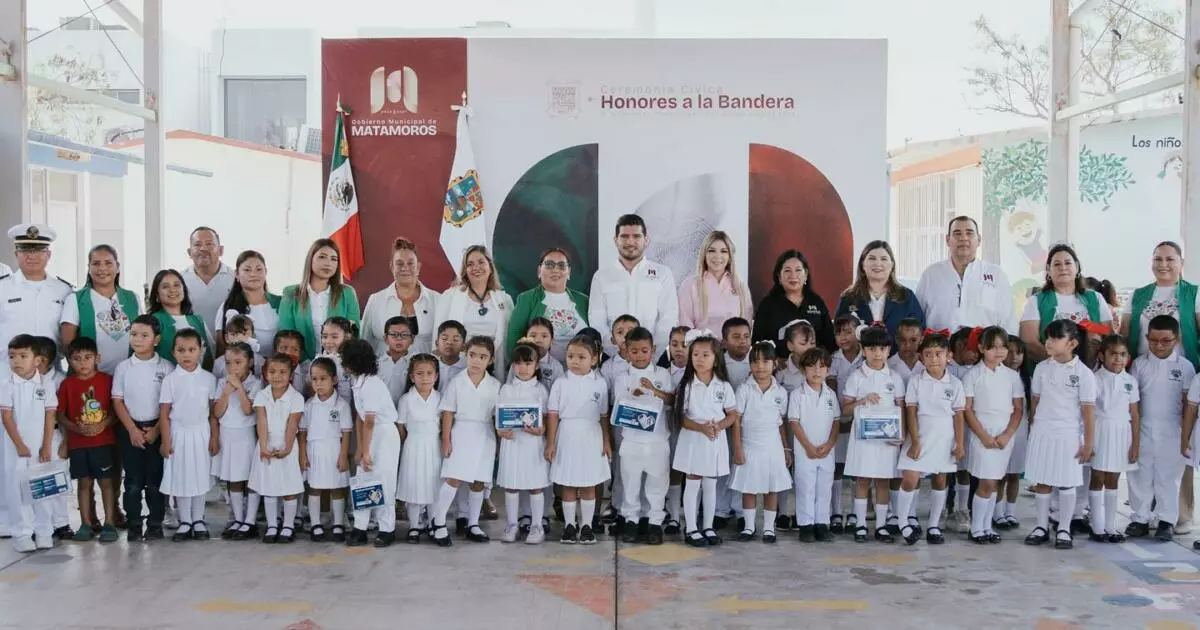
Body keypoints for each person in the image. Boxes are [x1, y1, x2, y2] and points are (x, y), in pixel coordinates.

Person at [1120, 242, 1200, 534]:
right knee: (1143, 456)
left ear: (1181, 262)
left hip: (1181, 375)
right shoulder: (1140, 295)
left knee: (1175, 455)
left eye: (1170, 259)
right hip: (1143, 373)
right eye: (1157, 259)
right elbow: (1125, 332)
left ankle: (1176, 515)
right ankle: (1142, 515)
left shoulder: (1193, 293)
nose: (1163, 264)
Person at [1023, 320, 1096, 550]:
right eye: (1048, 337)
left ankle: (1064, 528)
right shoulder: (1042, 368)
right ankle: (1041, 526)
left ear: (1072, 343)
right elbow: (1035, 402)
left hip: (1068, 434)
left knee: (1067, 483)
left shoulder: (1083, 374)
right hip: (1043, 431)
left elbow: (1088, 412)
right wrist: (1033, 429)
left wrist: (1088, 443)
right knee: (1042, 481)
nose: (1048, 342)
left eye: (1056, 338)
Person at [1126, 315, 1195, 541]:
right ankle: (1140, 518)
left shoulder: (1185, 367)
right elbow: (1133, 401)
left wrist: (1185, 437)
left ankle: (1166, 520)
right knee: (1140, 473)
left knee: (1169, 476)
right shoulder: (1139, 364)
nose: (1159, 346)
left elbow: (1188, 404)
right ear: (1147, 338)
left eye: (1166, 341)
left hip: (1173, 428)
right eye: (1153, 340)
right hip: (1144, 426)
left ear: (1177, 339)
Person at [893, 332, 965, 545]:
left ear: (949, 356)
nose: (934, 358)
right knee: (910, 477)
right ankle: (903, 522)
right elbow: (911, 411)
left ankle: (933, 525)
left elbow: (959, 416)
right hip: (920, 435)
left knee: (940, 479)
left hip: (944, 438)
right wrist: (915, 441)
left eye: (939, 353)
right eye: (928, 354)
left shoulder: (955, 384)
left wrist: (960, 444)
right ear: (921, 358)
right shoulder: (916, 381)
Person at [428, 336, 501, 546]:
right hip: (461, 433)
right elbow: (448, 412)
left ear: (491, 360)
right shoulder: (457, 382)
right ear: (466, 355)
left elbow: (498, 416)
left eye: (482, 357)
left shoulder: (495, 385)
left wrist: (499, 440)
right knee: (454, 478)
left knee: (479, 481)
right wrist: (446, 440)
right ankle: (438, 521)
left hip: (485, 434)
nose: (476, 360)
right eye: (472, 355)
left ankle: (473, 523)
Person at [672, 329, 737, 547]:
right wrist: (701, 428)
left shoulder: (723, 386)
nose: (699, 359)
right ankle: (691, 528)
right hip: (694, 439)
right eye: (695, 354)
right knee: (692, 484)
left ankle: (708, 526)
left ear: (716, 359)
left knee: (710, 485)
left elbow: (732, 414)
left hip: (714, 440)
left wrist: (719, 426)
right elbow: (681, 418)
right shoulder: (687, 385)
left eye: (705, 355)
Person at [609, 327, 674, 546]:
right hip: (632, 440)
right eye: (634, 351)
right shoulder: (622, 378)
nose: (639, 356)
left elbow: (671, 401)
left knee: (657, 482)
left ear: (653, 350)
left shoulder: (662, 374)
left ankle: (654, 521)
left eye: (644, 351)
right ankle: (631, 520)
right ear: (626, 352)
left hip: (657, 440)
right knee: (630, 482)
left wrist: (653, 390)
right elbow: (619, 408)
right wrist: (632, 395)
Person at [545, 333, 612, 545]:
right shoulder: (560, 383)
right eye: (571, 356)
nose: (575, 361)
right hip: (567, 434)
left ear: (594, 359)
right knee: (569, 483)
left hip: (591, 435)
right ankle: (569, 525)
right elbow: (553, 414)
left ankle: (587, 526)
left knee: (589, 483)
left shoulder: (600, 383)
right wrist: (551, 443)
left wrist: (606, 440)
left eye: (581, 357)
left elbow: (604, 415)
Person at [112, 315, 173, 542]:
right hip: (131, 431)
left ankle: (155, 524)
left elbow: (170, 404)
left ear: (156, 340)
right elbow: (117, 401)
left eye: (144, 335)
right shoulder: (123, 368)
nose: (137, 339)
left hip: (157, 429)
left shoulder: (166, 367)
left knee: (155, 482)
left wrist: (157, 430)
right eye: (134, 334)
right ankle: (135, 524)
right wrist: (132, 430)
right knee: (133, 482)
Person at [842, 326, 905, 544]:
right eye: (872, 349)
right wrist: (862, 400)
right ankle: (860, 525)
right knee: (862, 480)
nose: (877, 353)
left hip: (887, 439)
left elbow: (901, 407)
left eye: (882, 348)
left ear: (888, 350)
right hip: (863, 439)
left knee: (883, 481)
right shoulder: (856, 377)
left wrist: (901, 434)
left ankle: (881, 526)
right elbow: (845, 410)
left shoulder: (895, 377)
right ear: (863, 350)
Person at [962, 326, 1025, 543]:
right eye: (992, 347)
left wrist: (1008, 434)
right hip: (981, 435)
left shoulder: (1012, 377)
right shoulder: (972, 375)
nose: (998, 352)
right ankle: (976, 528)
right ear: (981, 348)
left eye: (1002, 347)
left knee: (995, 481)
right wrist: (983, 436)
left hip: (1004, 436)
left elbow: (1018, 409)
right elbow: (967, 409)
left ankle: (987, 526)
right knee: (986, 482)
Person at [1, 334, 63, 552]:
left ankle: (44, 532)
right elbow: (6, 417)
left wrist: (46, 445)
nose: (16, 361)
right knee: (17, 491)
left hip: (40, 448)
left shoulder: (46, 384)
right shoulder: (7, 385)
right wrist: (19, 444)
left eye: (23, 356)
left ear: (37, 360)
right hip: (16, 449)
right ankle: (22, 534)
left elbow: (50, 416)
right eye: (12, 356)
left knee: (42, 489)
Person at [589, 214, 678, 358]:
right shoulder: (601, 277)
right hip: (612, 358)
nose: (630, 242)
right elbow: (597, 320)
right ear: (615, 240)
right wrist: (616, 351)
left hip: (654, 358)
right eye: (624, 236)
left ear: (646, 240)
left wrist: (651, 351)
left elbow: (669, 317)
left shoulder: (663, 274)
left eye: (636, 236)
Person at [57, 337, 119, 543]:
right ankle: (86, 524)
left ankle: (109, 523)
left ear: (97, 358)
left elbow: (117, 411)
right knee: (83, 484)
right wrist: (75, 428)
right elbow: (60, 415)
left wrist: (103, 425)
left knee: (106, 483)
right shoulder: (67, 385)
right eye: (76, 359)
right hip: (78, 444)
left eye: (87, 357)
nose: (82, 363)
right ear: (69, 361)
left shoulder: (108, 381)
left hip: (103, 442)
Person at [729, 341, 791, 543]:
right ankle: (749, 526)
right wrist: (737, 448)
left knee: (772, 488)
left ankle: (769, 528)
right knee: (749, 488)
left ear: (775, 364)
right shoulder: (744, 390)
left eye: (766, 361)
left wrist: (786, 448)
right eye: (755, 362)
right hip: (749, 445)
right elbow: (736, 421)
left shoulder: (780, 392)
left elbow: (781, 423)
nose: (760, 366)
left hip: (773, 446)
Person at [157, 329, 216, 542]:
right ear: (174, 352)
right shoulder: (170, 380)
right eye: (181, 350)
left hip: (201, 433)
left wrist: (214, 438)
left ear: (200, 351)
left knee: (200, 476)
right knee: (181, 478)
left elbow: (213, 413)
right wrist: (166, 441)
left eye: (192, 349)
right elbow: (164, 413)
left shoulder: (209, 379)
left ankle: (198, 519)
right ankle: (185, 521)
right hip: (178, 434)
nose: (187, 354)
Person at [916, 216, 1016, 334]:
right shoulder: (930, 275)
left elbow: (1008, 323)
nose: (963, 238)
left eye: (969, 233)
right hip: (941, 345)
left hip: (984, 345)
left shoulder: (996, 275)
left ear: (979, 240)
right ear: (948, 240)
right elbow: (917, 321)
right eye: (957, 233)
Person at [496, 341, 551, 544]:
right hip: (512, 443)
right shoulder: (506, 389)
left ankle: (537, 526)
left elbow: (547, 418)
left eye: (528, 363)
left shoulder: (541, 390)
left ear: (536, 365)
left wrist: (541, 430)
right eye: (518, 363)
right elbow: (499, 416)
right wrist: (501, 431)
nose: (523, 368)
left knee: (535, 485)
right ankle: (512, 525)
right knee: (511, 485)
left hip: (533, 443)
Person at [1019, 244, 1113, 362]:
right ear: (1048, 270)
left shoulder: (1096, 298)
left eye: (1068, 263)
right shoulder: (1036, 301)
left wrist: (1089, 326)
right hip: (1050, 368)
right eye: (1057, 264)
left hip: (1090, 370)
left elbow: (1108, 333)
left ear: (1077, 267)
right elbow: (1029, 342)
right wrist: (1062, 365)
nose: (1063, 268)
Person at [434, 245, 515, 382]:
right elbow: (438, 336)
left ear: (490, 266)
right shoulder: (450, 297)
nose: (476, 267)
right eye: (470, 264)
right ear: (465, 270)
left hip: (494, 365)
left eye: (481, 262)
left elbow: (509, 337)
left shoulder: (504, 299)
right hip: (459, 365)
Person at [248, 354, 305, 544]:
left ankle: (288, 525)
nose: (277, 376)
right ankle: (272, 525)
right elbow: (261, 421)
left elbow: (292, 424)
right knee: (269, 487)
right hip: (266, 444)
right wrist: (264, 447)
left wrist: (287, 448)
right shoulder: (262, 395)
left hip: (287, 445)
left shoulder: (296, 397)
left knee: (289, 487)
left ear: (291, 375)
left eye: (282, 372)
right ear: (265, 374)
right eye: (272, 372)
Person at [60, 245, 141, 376]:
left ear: (118, 267)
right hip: (88, 378)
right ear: (89, 268)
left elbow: (141, 336)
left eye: (108, 263)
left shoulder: (132, 298)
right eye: (96, 263)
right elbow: (68, 344)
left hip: (127, 377)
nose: (102, 268)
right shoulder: (76, 299)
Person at [1089, 335, 1139, 544]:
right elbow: (1088, 410)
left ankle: (1110, 526)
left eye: (1122, 354)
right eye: (1113, 354)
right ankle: (1097, 525)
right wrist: (1088, 440)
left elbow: (1134, 413)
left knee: (1113, 478)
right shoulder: (1095, 378)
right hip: (1101, 429)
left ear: (1128, 357)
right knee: (1098, 476)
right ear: (1102, 356)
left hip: (1121, 432)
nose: (1118, 358)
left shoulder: (1130, 381)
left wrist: (1135, 444)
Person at [277, 239, 362, 362]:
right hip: (301, 364)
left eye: (334, 259)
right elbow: (286, 336)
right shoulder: (291, 293)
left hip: (339, 363)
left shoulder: (347, 293)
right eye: (322, 257)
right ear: (310, 259)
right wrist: (306, 364)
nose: (328, 263)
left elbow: (353, 334)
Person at [210, 342, 263, 541]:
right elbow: (217, 412)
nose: (232, 367)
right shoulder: (221, 383)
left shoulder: (255, 384)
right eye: (228, 363)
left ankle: (250, 521)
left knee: (249, 478)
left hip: (246, 436)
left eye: (238, 362)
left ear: (250, 363)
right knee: (233, 479)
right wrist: (226, 392)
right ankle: (238, 520)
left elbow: (248, 410)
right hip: (227, 436)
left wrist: (239, 388)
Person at [788, 347, 839, 543]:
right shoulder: (797, 394)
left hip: (826, 450)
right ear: (803, 370)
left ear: (828, 370)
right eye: (811, 366)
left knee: (824, 488)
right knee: (805, 487)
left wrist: (830, 443)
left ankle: (822, 524)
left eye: (822, 366)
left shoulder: (830, 395)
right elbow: (794, 423)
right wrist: (808, 446)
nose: (817, 371)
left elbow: (836, 421)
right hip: (805, 450)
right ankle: (806, 525)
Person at [299, 358, 352, 543]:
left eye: (323, 378)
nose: (318, 383)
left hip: (334, 450)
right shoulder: (308, 405)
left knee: (337, 488)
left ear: (334, 380)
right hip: (314, 450)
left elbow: (346, 433)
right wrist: (302, 454)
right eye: (314, 379)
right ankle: (316, 524)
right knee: (314, 488)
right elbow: (303, 432)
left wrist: (343, 456)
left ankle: (338, 523)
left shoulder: (341, 405)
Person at [508, 248, 589, 363]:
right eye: (549, 265)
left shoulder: (583, 300)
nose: (555, 270)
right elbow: (514, 338)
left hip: (578, 370)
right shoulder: (526, 299)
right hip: (539, 369)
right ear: (539, 271)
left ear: (569, 272)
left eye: (561, 265)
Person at [362, 238, 441, 356]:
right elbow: (364, 343)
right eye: (399, 263)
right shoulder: (375, 300)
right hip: (382, 367)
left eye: (410, 263)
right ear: (391, 267)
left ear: (418, 267)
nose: (405, 268)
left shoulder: (437, 300)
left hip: (425, 367)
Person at [835, 241, 925, 345]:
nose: (878, 263)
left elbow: (920, 330)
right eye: (872, 258)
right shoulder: (849, 297)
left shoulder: (905, 296)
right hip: (859, 355)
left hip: (897, 355)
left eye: (884, 259)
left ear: (892, 265)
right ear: (862, 264)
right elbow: (838, 332)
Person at [752, 250, 835, 356]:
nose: (793, 275)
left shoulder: (816, 302)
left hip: (813, 364)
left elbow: (829, 341)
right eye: (787, 271)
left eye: (798, 270)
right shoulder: (767, 304)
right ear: (779, 276)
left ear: (806, 274)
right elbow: (758, 343)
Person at [396, 354, 443, 544]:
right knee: (414, 487)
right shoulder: (406, 400)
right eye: (420, 373)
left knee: (434, 487)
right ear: (412, 377)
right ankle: (414, 526)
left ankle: (433, 523)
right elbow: (401, 427)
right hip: (413, 447)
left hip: (434, 447)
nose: (425, 378)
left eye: (429, 373)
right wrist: (408, 441)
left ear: (436, 376)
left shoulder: (440, 398)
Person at [677, 230, 753, 333]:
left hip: (734, 344)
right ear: (704, 254)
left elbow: (746, 327)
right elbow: (685, 327)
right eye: (712, 250)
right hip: (700, 343)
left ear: (730, 256)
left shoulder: (740, 287)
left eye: (724, 251)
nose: (717, 256)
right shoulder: (690, 285)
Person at [214, 250, 281, 355]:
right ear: (237, 274)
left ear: (266, 272)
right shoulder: (228, 306)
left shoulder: (281, 303)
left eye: (259, 269)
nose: (253, 274)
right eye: (247, 270)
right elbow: (221, 348)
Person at [147, 269, 215, 368]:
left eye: (177, 285)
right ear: (157, 295)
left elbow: (212, 352)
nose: (172, 290)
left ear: (184, 290)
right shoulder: (152, 321)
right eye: (165, 286)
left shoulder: (198, 320)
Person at [181, 227, 236, 328]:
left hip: (228, 338)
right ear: (189, 252)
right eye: (197, 244)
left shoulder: (235, 279)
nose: (203, 248)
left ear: (221, 250)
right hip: (191, 337)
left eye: (209, 244)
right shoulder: (179, 280)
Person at [377, 316, 415, 406]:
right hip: (381, 412)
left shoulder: (416, 363)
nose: (399, 338)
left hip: (407, 411)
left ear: (412, 339)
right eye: (394, 334)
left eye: (404, 335)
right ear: (385, 338)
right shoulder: (376, 362)